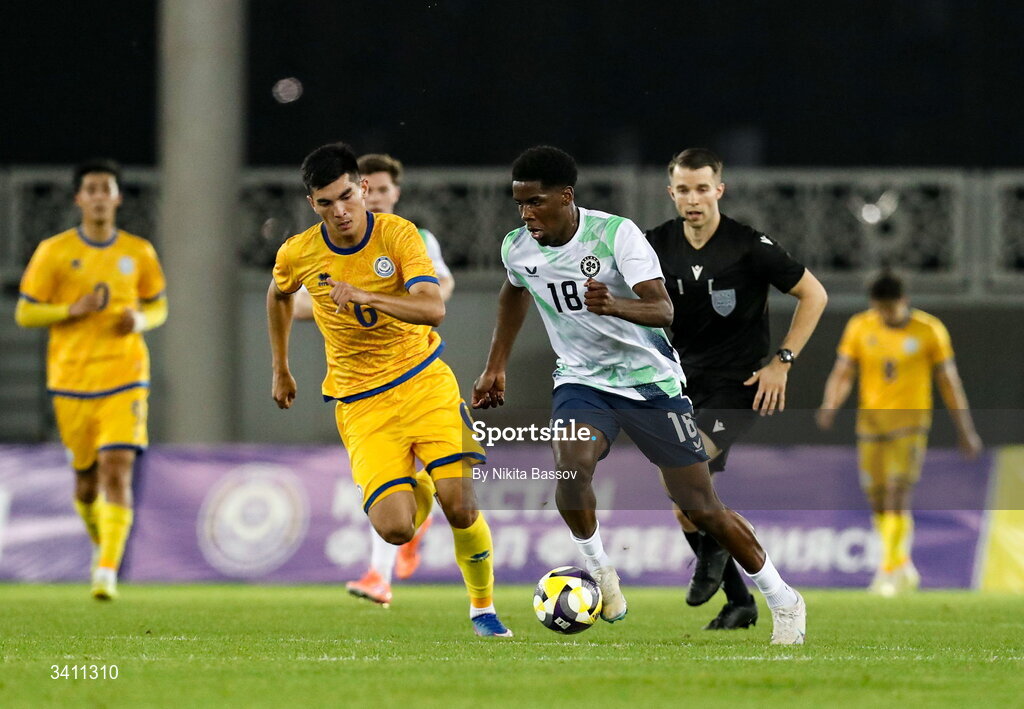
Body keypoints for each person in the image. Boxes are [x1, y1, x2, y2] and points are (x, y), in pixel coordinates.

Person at [473, 145, 807, 644]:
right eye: (519, 204)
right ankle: (602, 572)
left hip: (649, 383)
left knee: (699, 505)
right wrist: (495, 364)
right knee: (570, 468)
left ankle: (783, 597)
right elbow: (515, 289)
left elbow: (663, 310)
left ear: (566, 197)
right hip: (582, 380)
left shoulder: (614, 234)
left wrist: (614, 304)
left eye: (537, 202)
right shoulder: (517, 246)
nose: (527, 214)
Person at [267, 142, 511, 637]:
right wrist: (281, 367)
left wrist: (365, 295)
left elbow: (433, 308)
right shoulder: (298, 252)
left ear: (361, 188)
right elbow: (278, 294)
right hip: (361, 405)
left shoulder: (398, 235)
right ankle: (427, 484)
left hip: (424, 383)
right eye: (325, 203)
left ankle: (483, 609)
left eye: (345, 196)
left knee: (461, 505)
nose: (339, 211)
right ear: (312, 205)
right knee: (395, 528)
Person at [646, 148, 828, 630]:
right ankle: (739, 599)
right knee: (684, 499)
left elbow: (815, 294)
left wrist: (782, 362)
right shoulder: (654, 244)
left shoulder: (748, 245)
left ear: (719, 190)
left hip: (738, 385)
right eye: (683, 190)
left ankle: (714, 559)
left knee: (686, 470)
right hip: (678, 384)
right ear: (672, 193)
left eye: (702, 188)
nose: (693, 199)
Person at [14, 159, 168, 600]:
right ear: (79, 198)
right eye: (92, 189)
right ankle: (105, 542)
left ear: (118, 197)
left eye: (107, 188)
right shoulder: (54, 252)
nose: (100, 196)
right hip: (71, 382)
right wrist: (70, 311)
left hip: (125, 376)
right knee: (85, 483)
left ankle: (106, 571)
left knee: (116, 470)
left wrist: (140, 319)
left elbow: (159, 306)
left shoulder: (139, 252)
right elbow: (25, 311)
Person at [816, 271, 982, 595]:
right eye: (878, 308)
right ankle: (902, 564)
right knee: (877, 499)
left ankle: (888, 571)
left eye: (888, 309)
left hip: (910, 426)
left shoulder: (929, 330)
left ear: (903, 302)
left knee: (896, 494)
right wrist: (830, 403)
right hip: (871, 426)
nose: (883, 315)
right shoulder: (860, 326)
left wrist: (966, 429)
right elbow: (843, 372)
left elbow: (949, 382)